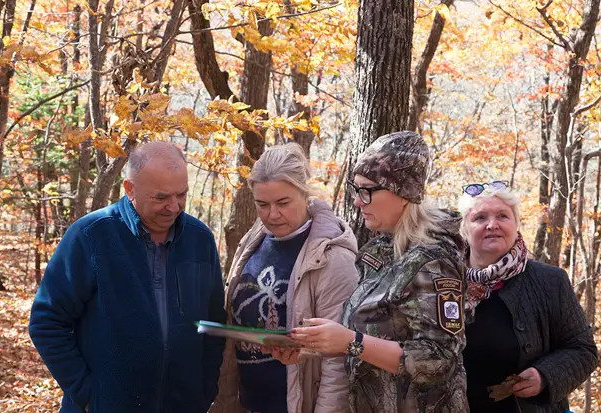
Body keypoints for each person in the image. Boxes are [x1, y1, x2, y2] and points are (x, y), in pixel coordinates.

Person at [29, 141, 226, 413]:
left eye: (181, 195)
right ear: (129, 189)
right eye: (161, 197)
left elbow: (213, 324)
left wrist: (205, 391)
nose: (174, 207)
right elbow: (47, 321)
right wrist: (87, 395)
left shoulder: (200, 239)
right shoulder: (91, 236)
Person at [279, 132, 470, 412]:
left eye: (367, 190)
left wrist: (350, 342)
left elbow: (439, 358)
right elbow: (368, 335)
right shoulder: (379, 249)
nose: (358, 201)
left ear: (403, 194)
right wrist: (310, 348)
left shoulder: (434, 259)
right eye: (356, 190)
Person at [211, 143, 359, 413]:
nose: (272, 214)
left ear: (304, 194)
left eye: (283, 203)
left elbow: (337, 365)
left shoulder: (332, 257)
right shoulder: (253, 240)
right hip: (248, 404)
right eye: (262, 205)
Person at [458, 181, 598, 413]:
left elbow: (583, 350)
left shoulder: (550, 281)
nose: (492, 224)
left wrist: (545, 376)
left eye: (502, 216)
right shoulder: (442, 283)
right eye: (480, 218)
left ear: (516, 225)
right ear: (464, 229)